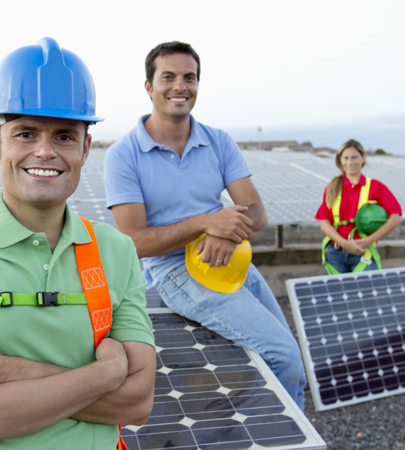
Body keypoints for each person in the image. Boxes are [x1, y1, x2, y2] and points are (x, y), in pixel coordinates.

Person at [0, 37, 155, 450]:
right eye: (25, 133)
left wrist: (1, 371)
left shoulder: (115, 250)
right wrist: (104, 375)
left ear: (86, 149)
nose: (45, 151)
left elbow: (136, 402)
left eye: (65, 136)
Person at [104, 41, 306, 409]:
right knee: (283, 357)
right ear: (149, 86)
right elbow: (132, 242)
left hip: (233, 258)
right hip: (176, 272)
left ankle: (285, 425)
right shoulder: (123, 154)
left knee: (291, 358)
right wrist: (207, 224)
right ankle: (274, 431)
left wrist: (228, 233)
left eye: (189, 77)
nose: (180, 86)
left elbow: (257, 212)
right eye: (168, 77)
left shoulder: (218, 141)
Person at [316, 139, 402, 274]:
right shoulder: (332, 188)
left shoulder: (375, 187)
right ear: (340, 160)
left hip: (364, 252)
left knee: (367, 288)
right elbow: (324, 224)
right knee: (341, 289)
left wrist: (369, 241)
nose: (350, 162)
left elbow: (395, 218)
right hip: (335, 254)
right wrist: (345, 243)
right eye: (346, 158)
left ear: (363, 158)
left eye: (354, 157)